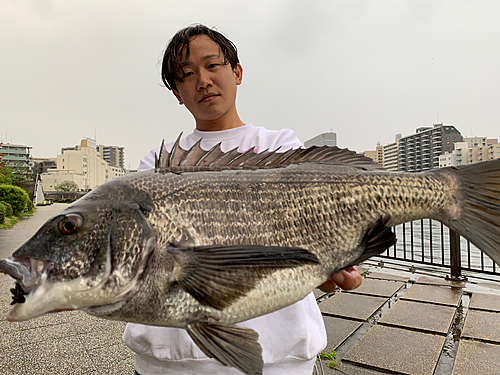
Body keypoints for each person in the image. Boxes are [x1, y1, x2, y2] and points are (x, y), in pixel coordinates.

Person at [124, 24, 362, 375]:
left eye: (213, 65)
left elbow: (308, 251)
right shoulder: (155, 168)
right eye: (187, 74)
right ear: (177, 92)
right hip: (169, 363)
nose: (203, 80)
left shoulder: (279, 147)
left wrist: (330, 270)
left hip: (279, 362)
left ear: (236, 72)